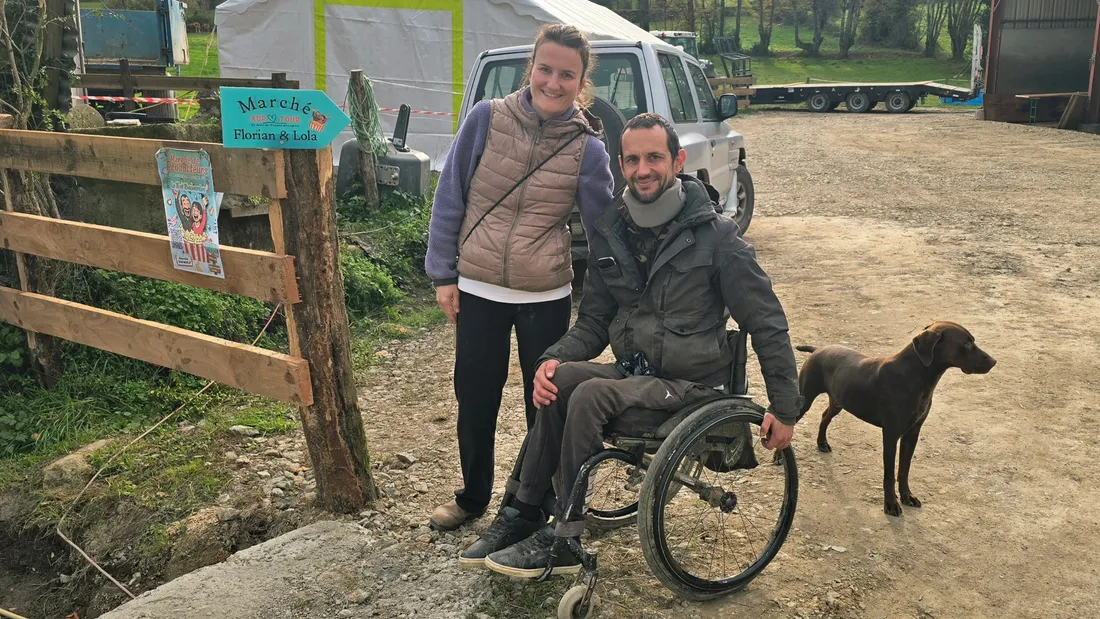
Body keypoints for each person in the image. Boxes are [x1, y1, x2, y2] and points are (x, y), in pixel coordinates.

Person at [457, 113, 804, 577]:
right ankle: (520, 513)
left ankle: (566, 535)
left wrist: (785, 408)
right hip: (638, 374)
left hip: (691, 384)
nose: (644, 169)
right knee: (561, 381)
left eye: (655, 157)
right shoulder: (612, 232)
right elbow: (596, 320)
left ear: (677, 160)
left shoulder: (717, 238)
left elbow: (767, 321)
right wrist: (552, 358)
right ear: (621, 165)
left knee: (591, 393)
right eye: (634, 159)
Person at [424, 23, 615, 531]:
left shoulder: (588, 148)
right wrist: (444, 275)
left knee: (546, 406)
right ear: (531, 67)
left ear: (581, 82)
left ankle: (541, 503)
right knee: (475, 397)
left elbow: (604, 233)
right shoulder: (486, 119)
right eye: (546, 69)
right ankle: (472, 497)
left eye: (567, 75)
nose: (553, 82)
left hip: (545, 294)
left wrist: (616, 295)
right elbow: (450, 198)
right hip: (478, 289)